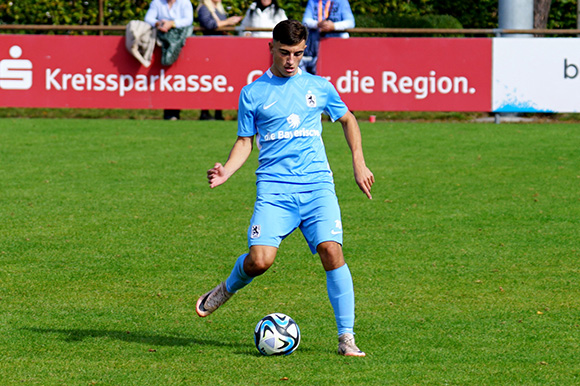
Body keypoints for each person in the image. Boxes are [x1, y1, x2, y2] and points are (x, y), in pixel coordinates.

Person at [196, 20, 374, 357]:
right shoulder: (252, 93)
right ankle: (226, 288)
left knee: (331, 251)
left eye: (298, 53)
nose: (291, 60)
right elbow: (245, 142)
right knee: (260, 261)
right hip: (275, 191)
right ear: (271, 48)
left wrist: (358, 162)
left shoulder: (319, 86)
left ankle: (346, 337)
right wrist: (226, 171)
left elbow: (348, 119)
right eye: (285, 53)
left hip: (317, 187)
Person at [145, 0, 194, 120]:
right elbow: (148, 18)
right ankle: (169, 112)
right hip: (161, 42)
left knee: (179, 79)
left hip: (181, 44)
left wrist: (172, 23)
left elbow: (188, 20)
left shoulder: (185, 2)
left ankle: (175, 111)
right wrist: (159, 23)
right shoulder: (157, 2)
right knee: (168, 80)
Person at [197, 0, 243, 121]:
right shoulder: (204, 8)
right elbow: (209, 24)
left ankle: (218, 111)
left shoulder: (219, 9)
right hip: (209, 49)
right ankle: (205, 112)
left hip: (220, 49)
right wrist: (228, 22)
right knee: (208, 80)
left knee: (220, 79)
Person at [301, 0, 355, 74]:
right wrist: (317, 24)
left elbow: (351, 22)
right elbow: (305, 21)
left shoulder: (342, 1)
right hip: (315, 48)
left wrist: (334, 26)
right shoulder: (313, 1)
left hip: (337, 47)